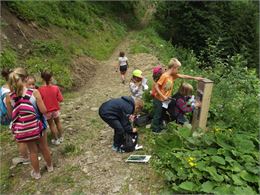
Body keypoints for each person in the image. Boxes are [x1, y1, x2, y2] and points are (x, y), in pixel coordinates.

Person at [6, 67, 53, 180]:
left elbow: (10, 115)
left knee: (32, 151)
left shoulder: (9, 97)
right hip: (38, 125)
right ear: (26, 78)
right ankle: (50, 166)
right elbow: (43, 110)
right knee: (44, 147)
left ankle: (36, 173)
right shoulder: (34, 92)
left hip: (24, 129)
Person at [151, 58, 203, 133]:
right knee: (157, 115)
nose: (178, 70)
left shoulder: (172, 76)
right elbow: (156, 86)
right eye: (178, 69)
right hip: (159, 100)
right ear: (173, 68)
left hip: (165, 100)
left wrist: (195, 78)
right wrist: (163, 96)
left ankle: (160, 126)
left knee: (162, 114)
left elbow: (183, 76)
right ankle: (155, 129)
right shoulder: (165, 76)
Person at [38, 71, 64, 145]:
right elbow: (61, 99)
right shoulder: (56, 88)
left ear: (42, 79)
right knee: (58, 122)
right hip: (55, 109)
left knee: (51, 125)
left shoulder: (40, 89)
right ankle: (61, 136)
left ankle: (56, 139)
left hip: (47, 111)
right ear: (51, 78)